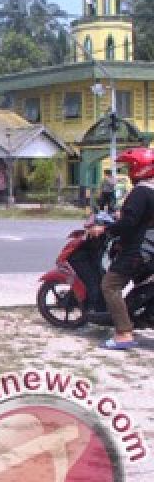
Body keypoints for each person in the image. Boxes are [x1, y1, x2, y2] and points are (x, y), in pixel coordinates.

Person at [87, 147, 154, 351]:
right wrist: (119, 217)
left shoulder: (140, 191)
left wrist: (104, 228)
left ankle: (124, 333)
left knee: (110, 284)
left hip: (138, 249)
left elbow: (129, 223)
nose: (128, 171)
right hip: (150, 247)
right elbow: (139, 218)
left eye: (129, 167)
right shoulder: (150, 190)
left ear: (139, 168)